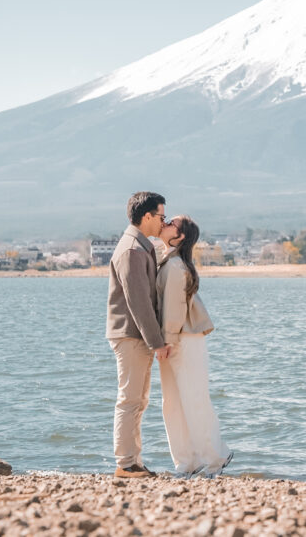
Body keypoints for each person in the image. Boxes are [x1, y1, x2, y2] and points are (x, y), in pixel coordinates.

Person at [155, 215, 232, 477]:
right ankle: (186, 462)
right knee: (172, 402)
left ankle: (214, 459)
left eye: (171, 223)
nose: (164, 223)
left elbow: (175, 308)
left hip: (183, 339)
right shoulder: (167, 259)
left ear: (181, 236)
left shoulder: (176, 266)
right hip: (173, 339)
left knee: (193, 398)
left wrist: (167, 342)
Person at [107, 191, 171, 478]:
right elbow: (138, 301)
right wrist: (157, 342)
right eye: (161, 217)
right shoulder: (132, 250)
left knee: (137, 399)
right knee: (131, 398)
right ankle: (125, 463)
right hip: (131, 334)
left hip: (135, 334)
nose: (163, 222)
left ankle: (132, 461)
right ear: (147, 217)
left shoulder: (140, 246)